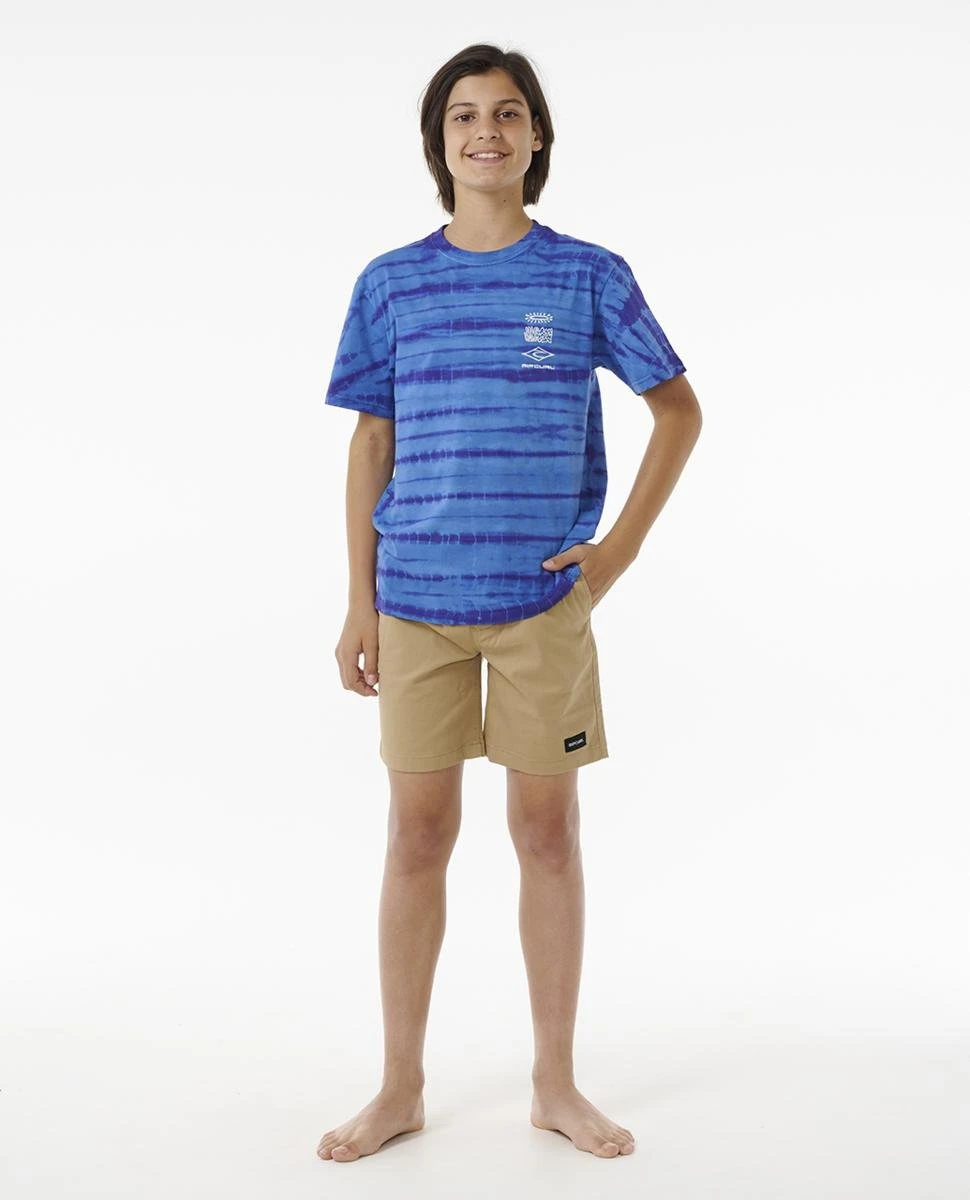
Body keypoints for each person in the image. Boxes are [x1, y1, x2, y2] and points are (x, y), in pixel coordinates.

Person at [318, 42, 702, 1163]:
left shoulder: (588, 276)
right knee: (415, 835)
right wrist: (357, 600)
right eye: (463, 116)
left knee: (545, 834)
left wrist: (615, 553)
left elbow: (678, 410)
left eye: (507, 113)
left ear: (536, 138)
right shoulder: (391, 283)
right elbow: (371, 442)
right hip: (414, 601)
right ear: (437, 143)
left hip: (541, 606)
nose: (485, 131)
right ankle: (398, 1086)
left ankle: (554, 1083)